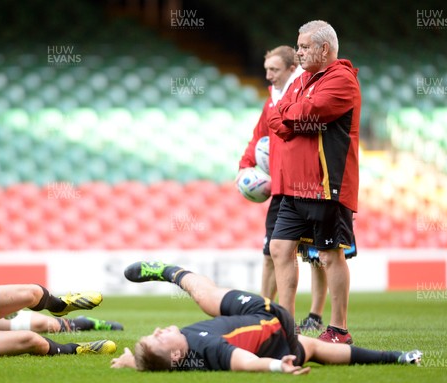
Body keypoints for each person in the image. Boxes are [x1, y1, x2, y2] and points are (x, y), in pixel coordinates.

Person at [110, 261, 421, 373]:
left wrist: (131, 360)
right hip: (266, 317)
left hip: (277, 343)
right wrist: (276, 368)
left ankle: (397, 358)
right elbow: (244, 363)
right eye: (159, 336)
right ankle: (171, 271)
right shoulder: (207, 346)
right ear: (177, 353)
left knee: (315, 350)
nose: (159, 329)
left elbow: (153, 362)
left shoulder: (170, 362)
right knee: (207, 298)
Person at [266, 20, 361, 344]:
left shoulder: (342, 79)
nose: (299, 52)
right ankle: (285, 326)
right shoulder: (301, 80)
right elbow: (277, 118)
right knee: (279, 248)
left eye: (305, 46)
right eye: (298, 45)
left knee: (328, 255)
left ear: (324, 49)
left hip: (325, 185)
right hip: (294, 186)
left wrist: (292, 114)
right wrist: (292, 115)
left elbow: (309, 112)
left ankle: (338, 329)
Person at [236, 45, 303, 301]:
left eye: (274, 70)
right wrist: (244, 166)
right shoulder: (271, 101)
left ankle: (318, 316)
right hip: (280, 189)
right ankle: (263, 309)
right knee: (270, 252)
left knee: (321, 256)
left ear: (291, 69)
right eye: (266, 70)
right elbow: (258, 137)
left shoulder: (301, 95)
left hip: (306, 188)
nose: (268, 75)